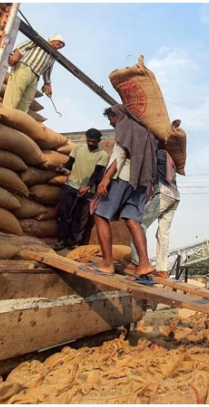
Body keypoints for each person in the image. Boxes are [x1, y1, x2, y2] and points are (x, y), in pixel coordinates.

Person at [82, 106, 158, 285]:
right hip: (141, 181)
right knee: (132, 220)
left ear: (117, 115)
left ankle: (107, 264)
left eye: (110, 118)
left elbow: (120, 154)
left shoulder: (125, 126)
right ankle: (145, 264)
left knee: (100, 215)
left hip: (124, 177)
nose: (110, 122)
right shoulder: (144, 131)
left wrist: (106, 178)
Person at [128, 147, 180, 279]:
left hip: (163, 194)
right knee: (163, 234)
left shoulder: (158, 154)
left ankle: (137, 262)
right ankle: (163, 269)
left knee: (138, 225)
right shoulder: (170, 157)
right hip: (175, 196)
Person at [54, 128, 108, 251]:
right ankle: (62, 240)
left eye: (93, 142)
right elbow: (70, 163)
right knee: (64, 214)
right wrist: (62, 167)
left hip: (87, 191)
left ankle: (74, 242)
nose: (90, 144)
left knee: (80, 218)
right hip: (70, 186)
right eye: (88, 141)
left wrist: (88, 186)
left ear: (99, 141)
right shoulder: (78, 148)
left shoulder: (103, 155)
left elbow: (97, 173)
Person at [4, 34, 64, 112]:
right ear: (52, 40)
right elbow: (23, 46)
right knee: (15, 92)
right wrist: (16, 54)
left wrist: (47, 83)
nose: (60, 46)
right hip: (25, 67)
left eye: (62, 45)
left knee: (27, 99)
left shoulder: (53, 56)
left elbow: (47, 71)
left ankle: (18, 119)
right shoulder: (41, 42)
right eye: (59, 43)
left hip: (36, 76)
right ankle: (7, 112)